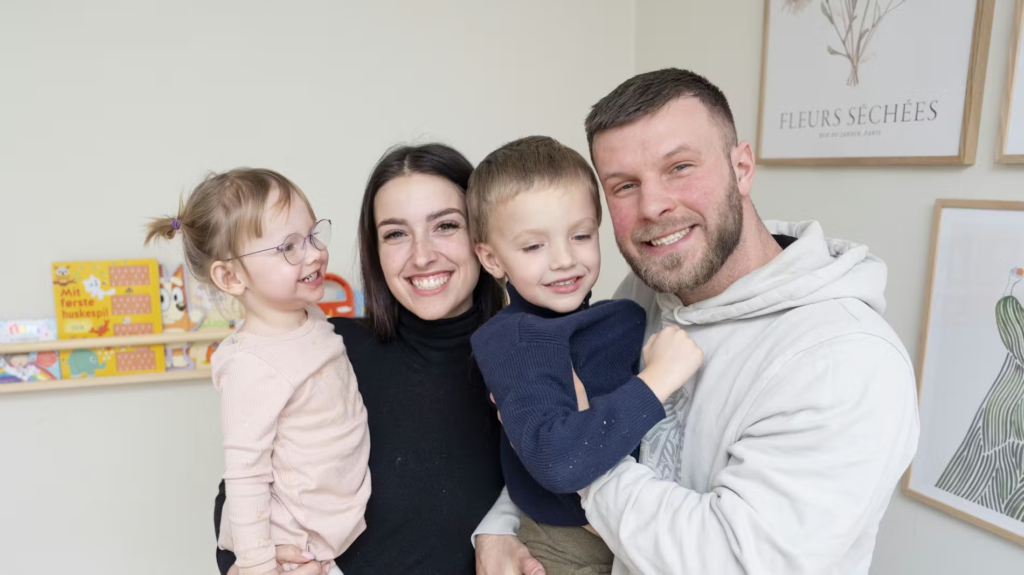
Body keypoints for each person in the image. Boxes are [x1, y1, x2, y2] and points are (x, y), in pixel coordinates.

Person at [475, 68, 920, 575]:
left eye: (680, 167)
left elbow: (733, 560)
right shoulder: (645, 291)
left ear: (742, 168)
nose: (653, 206)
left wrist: (587, 468)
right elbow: (548, 419)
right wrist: (497, 527)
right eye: (624, 185)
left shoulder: (847, 359)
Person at [211, 144, 509, 575]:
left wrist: (502, 527)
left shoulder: (522, 366)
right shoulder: (329, 351)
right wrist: (247, 567)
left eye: (445, 225)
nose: (422, 255)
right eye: (395, 234)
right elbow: (239, 489)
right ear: (375, 249)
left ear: (483, 236)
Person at [467, 136, 703, 574]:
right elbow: (558, 460)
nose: (564, 259)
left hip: (639, 532)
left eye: (580, 235)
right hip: (565, 548)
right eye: (533, 246)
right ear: (492, 259)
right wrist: (656, 381)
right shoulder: (515, 340)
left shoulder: (620, 315)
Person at [148, 169, 370, 575]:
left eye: (313, 235)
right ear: (231, 277)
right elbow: (245, 474)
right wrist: (257, 565)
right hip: (295, 546)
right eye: (289, 247)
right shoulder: (252, 365)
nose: (314, 253)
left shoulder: (310, 317)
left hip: (334, 528)